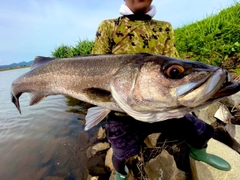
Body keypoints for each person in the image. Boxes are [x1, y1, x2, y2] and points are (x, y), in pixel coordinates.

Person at [91, 0, 231, 179]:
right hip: (123, 112)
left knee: (200, 130)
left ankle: (198, 152)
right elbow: (95, 66)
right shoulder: (109, 27)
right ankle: (120, 172)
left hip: (163, 107)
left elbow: (176, 68)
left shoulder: (165, 28)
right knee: (120, 151)